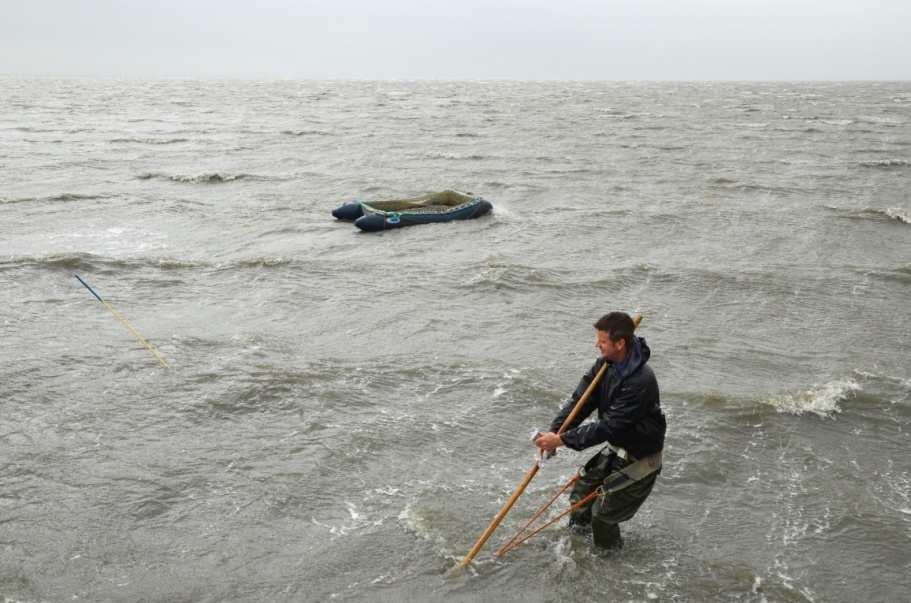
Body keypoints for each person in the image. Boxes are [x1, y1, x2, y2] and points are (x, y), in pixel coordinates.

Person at [534, 311, 666, 549]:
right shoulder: (605, 365)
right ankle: (575, 548)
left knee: (603, 515)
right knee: (579, 501)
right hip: (617, 447)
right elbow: (580, 402)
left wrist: (561, 440)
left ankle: (608, 560)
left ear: (620, 343)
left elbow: (607, 427)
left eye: (602, 341)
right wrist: (554, 433)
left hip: (641, 459)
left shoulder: (641, 382)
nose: (597, 345)